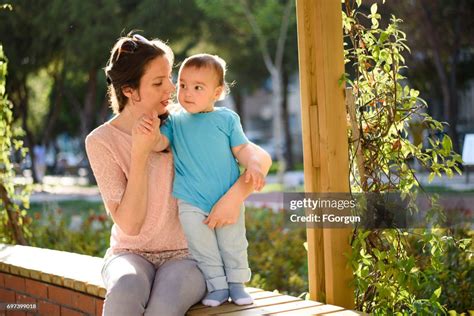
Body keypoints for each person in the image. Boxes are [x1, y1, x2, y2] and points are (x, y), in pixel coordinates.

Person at [85, 34, 271, 315]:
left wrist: (235, 197)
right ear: (129, 91)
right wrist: (140, 153)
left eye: (170, 78)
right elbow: (130, 225)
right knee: (125, 289)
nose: (172, 88)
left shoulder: (185, 119)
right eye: (159, 83)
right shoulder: (100, 142)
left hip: (188, 254)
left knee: (164, 306)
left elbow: (261, 158)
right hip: (130, 254)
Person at [145, 53, 271, 307]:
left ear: (217, 92)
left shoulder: (226, 119)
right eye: (182, 85)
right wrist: (150, 134)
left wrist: (254, 163)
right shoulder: (175, 121)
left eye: (197, 87)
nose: (187, 93)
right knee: (202, 246)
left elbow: (242, 149)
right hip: (190, 200)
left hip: (225, 195)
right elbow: (161, 143)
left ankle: (237, 285)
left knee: (232, 241)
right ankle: (217, 286)